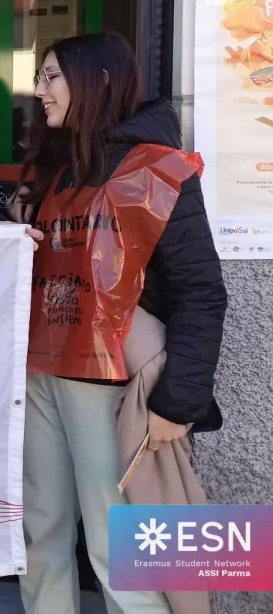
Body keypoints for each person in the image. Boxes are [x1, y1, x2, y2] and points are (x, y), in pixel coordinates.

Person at [15, 33, 226, 614]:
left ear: (97, 81)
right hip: (41, 371)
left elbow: (202, 293)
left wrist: (177, 404)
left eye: (51, 76)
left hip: (109, 380)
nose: (39, 90)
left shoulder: (159, 170)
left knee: (120, 542)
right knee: (41, 530)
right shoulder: (56, 166)